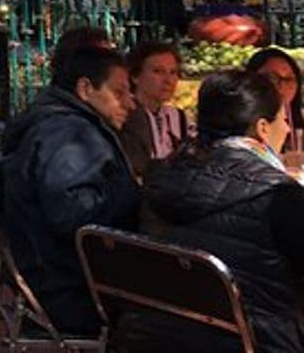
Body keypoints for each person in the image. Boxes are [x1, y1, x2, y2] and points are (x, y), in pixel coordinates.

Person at [138, 71, 304, 353]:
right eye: (283, 119)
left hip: (162, 338)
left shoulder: (161, 180)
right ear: (263, 128)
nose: (287, 129)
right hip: (259, 341)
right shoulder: (277, 196)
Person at [0, 41, 139, 335]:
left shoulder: (54, 122)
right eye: (119, 93)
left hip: (52, 273)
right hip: (71, 288)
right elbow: (72, 214)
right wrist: (132, 189)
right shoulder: (67, 134)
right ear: (86, 89)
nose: (130, 103)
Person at [119, 41, 189, 179]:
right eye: (158, 71)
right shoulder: (123, 116)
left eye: (173, 72)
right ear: (135, 77)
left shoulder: (178, 117)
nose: (168, 80)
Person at [246, 47, 304, 151]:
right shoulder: (242, 127)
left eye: (289, 79)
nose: (281, 85)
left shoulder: (299, 128)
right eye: (271, 78)